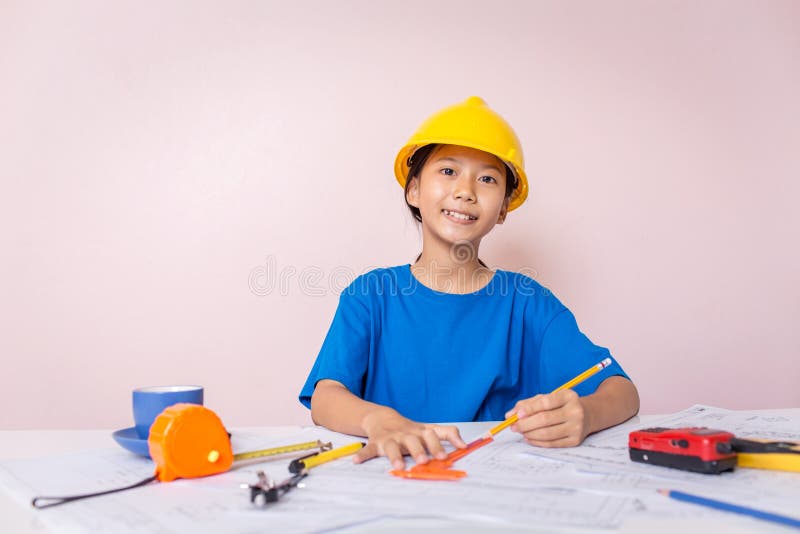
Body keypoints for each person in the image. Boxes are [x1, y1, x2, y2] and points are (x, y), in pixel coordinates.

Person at [299, 96, 639, 471]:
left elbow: (623, 392)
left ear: (504, 208)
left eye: (488, 178)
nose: (465, 190)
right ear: (413, 190)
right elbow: (325, 396)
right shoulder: (369, 296)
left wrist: (587, 414)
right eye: (448, 171)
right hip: (390, 481)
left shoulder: (527, 304)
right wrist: (377, 420)